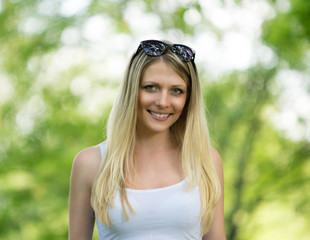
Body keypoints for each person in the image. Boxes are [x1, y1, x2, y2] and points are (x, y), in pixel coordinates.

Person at [69, 40, 226, 240]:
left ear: (188, 99)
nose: (163, 102)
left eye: (177, 90)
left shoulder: (207, 161)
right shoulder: (91, 163)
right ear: (132, 90)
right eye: (151, 87)